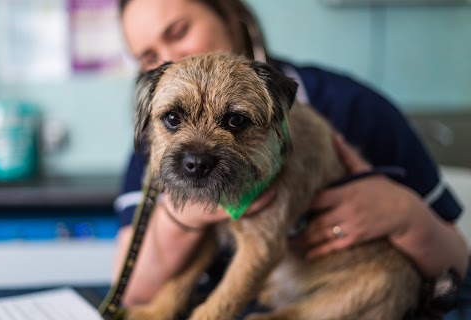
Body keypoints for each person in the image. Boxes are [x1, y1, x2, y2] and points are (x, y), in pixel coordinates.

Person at [112, 0, 469, 317]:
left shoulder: (353, 106)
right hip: (268, 292)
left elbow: (457, 264)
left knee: (388, 283)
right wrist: (181, 221)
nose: (168, 58)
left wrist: (406, 216)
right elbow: (129, 290)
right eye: (147, 56)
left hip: (348, 281)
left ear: (228, 12)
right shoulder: (155, 138)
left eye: (179, 31)